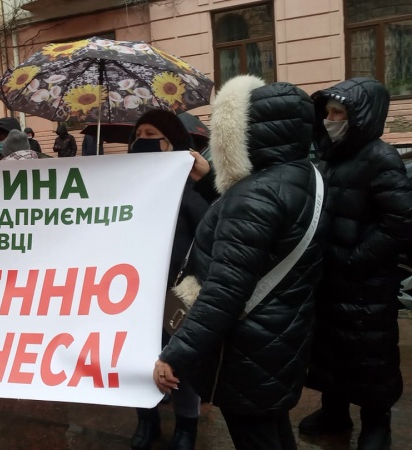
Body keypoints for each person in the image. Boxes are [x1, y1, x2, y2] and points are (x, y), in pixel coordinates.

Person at [153, 75, 324, 450]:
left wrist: (175, 353)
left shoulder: (254, 195)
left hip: (245, 349)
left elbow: (224, 292)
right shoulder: (305, 176)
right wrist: (209, 182)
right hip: (281, 335)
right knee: (272, 427)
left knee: (256, 435)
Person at [299, 78, 412, 450]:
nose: (330, 120)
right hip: (330, 278)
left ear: (362, 117)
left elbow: (401, 221)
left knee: (371, 356)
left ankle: (377, 423)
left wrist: (355, 259)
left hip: (367, 284)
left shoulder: (381, 157)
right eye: (328, 112)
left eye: (339, 113)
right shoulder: (328, 156)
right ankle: (335, 411)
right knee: (332, 350)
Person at [127, 109, 208, 450]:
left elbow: (212, 227)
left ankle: (186, 426)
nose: (142, 141)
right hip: (136, 292)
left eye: (151, 135)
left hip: (178, 293)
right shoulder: (125, 184)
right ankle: (146, 420)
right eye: (138, 135)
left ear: (172, 142)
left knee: (180, 363)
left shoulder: (191, 186)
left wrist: (203, 182)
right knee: (138, 357)